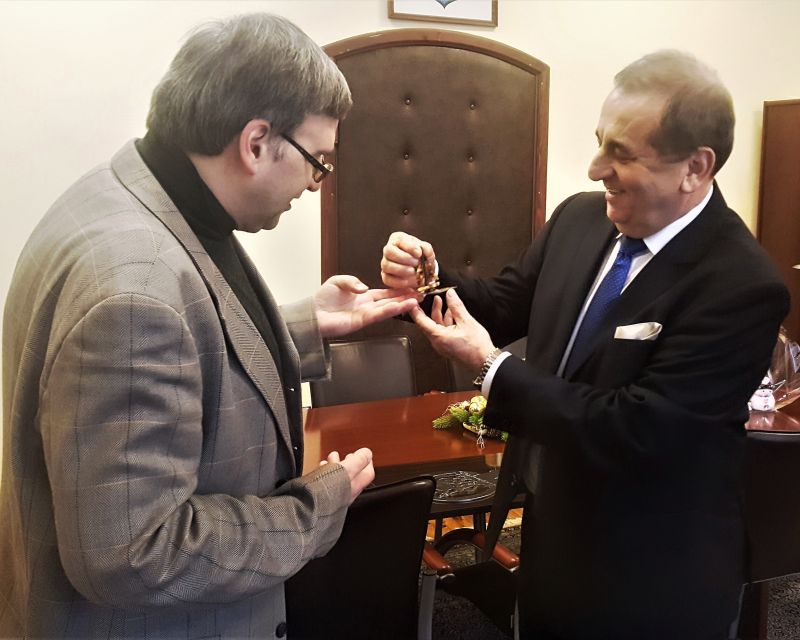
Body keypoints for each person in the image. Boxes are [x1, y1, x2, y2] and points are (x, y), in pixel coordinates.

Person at [0, 13, 418, 639]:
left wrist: (300, 325)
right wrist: (312, 511)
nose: (314, 185)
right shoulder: (136, 293)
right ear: (256, 143)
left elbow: (186, 345)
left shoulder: (131, 193)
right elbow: (133, 553)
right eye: (317, 161)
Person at [381, 50, 789, 639]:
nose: (596, 168)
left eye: (621, 153)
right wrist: (429, 277)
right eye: (600, 142)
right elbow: (504, 301)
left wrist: (491, 367)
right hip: (552, 537)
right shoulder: (580, 218)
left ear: (695, 168)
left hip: (653, 578)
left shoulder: (741, 285)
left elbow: (635, 429)